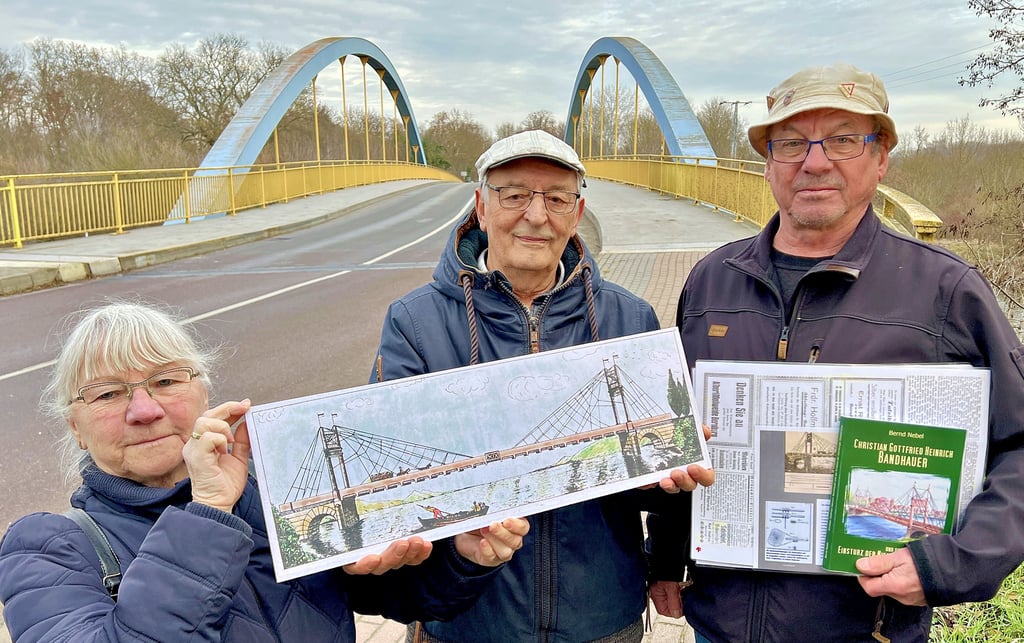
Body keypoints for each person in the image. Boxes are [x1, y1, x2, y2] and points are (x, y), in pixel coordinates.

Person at [649, 63, 1024, 641]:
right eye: (791, 143)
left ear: (882, 158)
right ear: (768, 163)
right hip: (719, 623)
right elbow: (683, 432)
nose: (815, 161)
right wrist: (666, 556)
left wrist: (948, 565)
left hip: (863, 628)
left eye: (845, 139)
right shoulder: (709, 281)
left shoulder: (946, 291)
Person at [0, 301, 530, 642]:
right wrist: (208, 510)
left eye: (166, 381)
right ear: (75, 426)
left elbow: (387, 599)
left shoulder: (267, 495)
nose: (144, 409)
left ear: (203, 391)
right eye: (110, 394)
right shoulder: (46, 547)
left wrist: (462, 559)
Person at [371, 129, 714, 643]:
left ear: (577, 215)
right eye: (514, 195)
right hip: (469, 621)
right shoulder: (415, 323)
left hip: (601, 619)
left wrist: (660, 478)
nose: (536, 216)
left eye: (556, 199)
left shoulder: (631, 316)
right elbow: (387, 486)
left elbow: (657, 485)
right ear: (481, 208)